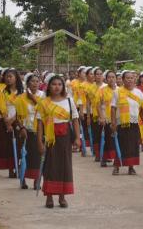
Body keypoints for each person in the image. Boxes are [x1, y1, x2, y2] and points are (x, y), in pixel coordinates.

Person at [36, 75, 81, 209]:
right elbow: (39, 124)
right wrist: (39, 142)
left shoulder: (69, 101)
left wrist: (78, 138)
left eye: (59, 84)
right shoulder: (44, 103)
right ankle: (49, 196)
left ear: (63, 86)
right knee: (49, 165)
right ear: (49, 86)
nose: (57, 87)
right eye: (54, 84)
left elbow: (75, 120)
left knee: (64, 165)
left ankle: (62, 196)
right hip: (49, 137)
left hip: (65, 137)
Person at [110, 70, 143, 175]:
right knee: (120, 144)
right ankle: (116, 166)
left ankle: (131, 167)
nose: (130, 80)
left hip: (134, 123)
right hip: (121, 123)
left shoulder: (138, 93)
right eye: (127, 78)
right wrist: (113, 123)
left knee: (133, 146)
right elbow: (113, 108)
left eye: (131, 78)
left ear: (134, 79)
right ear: (123, 80)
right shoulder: (117, 92)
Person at [0, 68, 26, 177]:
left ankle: (20, 168)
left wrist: (13, 120)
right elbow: (2, 107)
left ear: (16, 78)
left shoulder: (22, 93)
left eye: (10, 76)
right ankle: (11, 169)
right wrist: (7, 122)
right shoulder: (3, 92)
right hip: (6, 121)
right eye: (6, 77)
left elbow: (23, 108)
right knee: (8, 146)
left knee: (19, 145)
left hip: (19, 121)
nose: (8, 79)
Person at [21, 73, 45, 189]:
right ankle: (23, 179)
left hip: (38, 129)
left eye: (37, 81)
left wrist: (33, 99)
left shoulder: (43, 95)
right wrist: (21, 127)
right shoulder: (22, 97)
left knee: (37, 157)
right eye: (32, 81)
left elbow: (44, 109)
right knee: (25, 156)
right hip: (26, 129)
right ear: (27, 83)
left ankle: (37, 181)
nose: (35, 83)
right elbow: (19, 114)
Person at [97, 70, 117, 167]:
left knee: (115, 139)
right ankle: (104, 158)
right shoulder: (102, 90)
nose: (111, 79)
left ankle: (116, 158)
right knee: (107, 139)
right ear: (106, 78)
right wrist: (101, 117)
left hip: (117, 118)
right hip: (106, 117)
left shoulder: (119, 90)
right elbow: (99, 105)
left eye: (113, 77)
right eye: (109, 77)